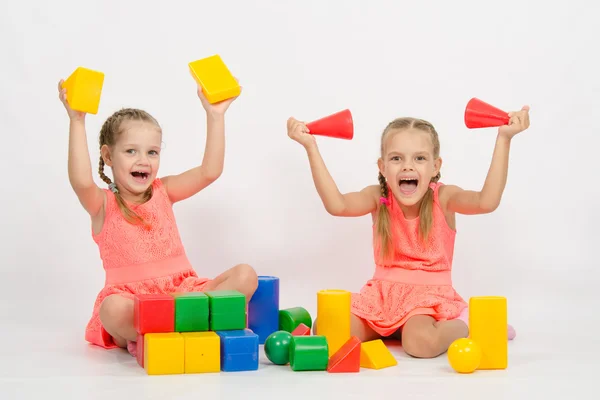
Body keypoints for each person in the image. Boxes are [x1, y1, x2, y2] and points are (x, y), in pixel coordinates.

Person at [287, 106, 529, 358]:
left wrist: (504, 138)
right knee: (329, 328)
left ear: (436, 166)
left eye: (419, 158)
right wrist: (310, 146)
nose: (407, 167)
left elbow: (486, 201)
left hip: (428, 300)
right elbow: (337, 205)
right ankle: (395, 329)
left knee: (420, 343)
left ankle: (469, 322)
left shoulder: (443, 198)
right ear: (382, 167)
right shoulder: (377, 196)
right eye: (396, 158)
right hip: (381, 297)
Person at [57, 79, 258, 355]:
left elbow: (209, 171)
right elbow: (80, 180)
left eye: (152, 152)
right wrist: (77, 120)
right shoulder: (103, 203)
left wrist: (215, 116)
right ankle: (188, 326)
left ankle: (172, 329)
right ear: (108, 155)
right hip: (136, 303)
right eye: (131, 151)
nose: (143, 160)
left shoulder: (164, 191)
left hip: (184, 295)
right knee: (112, 309)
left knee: (246, 275)